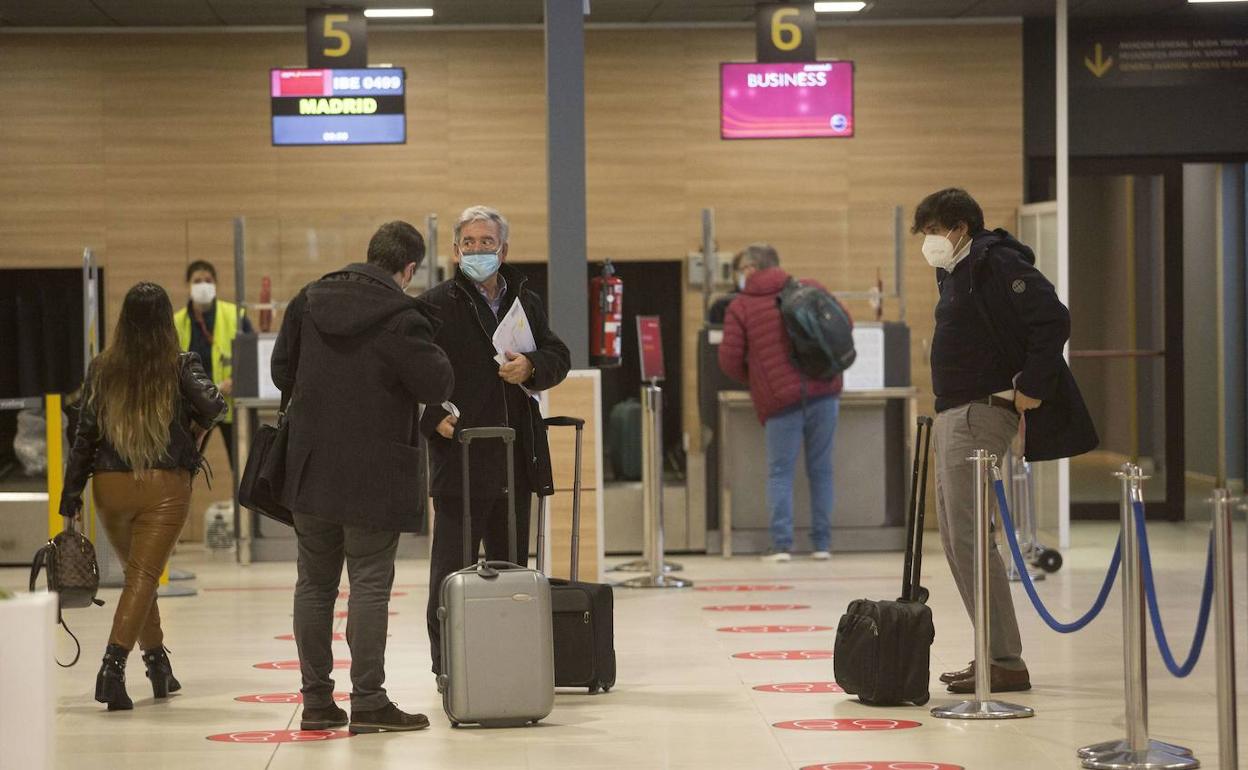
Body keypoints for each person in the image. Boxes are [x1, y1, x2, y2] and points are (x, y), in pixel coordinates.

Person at [271, 221, 454, 734]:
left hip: (310, 467)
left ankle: (316, 702)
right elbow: (437, 382)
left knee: (314, 584)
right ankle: (369, 702)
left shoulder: (308, 300)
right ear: (409, 269)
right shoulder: (401, 316)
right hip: (375, 473)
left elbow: (281, 371)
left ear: (371, 253)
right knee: (370, 584)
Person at [913, 187, 1096, 695]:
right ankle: (993, 653)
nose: (928, 242)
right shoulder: (956, 269)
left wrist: (1033, 385)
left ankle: (1004, 660)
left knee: (970, 537)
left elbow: (1052, 318)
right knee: (957, 538)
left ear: (960, 228)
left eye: (934, 231)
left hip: (981, 411)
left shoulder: (995, 261)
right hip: (956, 411)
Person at [419, 205, 571, 676]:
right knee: (450, 574)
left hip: (512, 460)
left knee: (511, 573)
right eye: (469, 243)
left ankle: (508, 666)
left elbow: (557, 354)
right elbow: (407, 369)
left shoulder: (525, 301)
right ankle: (448, 669)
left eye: (487, 242)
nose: (478, 250)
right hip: (460, 459)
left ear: (503, 251)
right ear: (455, 251)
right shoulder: (434, 304)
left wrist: (532, 366)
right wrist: (430, 415)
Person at [60, 282, 226, 711]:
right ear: (166, 320)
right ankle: (111, 670)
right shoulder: (180, 364)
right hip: (164, 486)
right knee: (143, 576)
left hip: (109, 487)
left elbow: (85, 435)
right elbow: (216, 406)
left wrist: (71, 493)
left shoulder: (102, 368)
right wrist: (194, 426)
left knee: (141, 574)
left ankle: (158, 667)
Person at [717, 244, 849, 563]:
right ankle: (822, 544)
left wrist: (758, 380)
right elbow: (844, 324)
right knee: (821, 470)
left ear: (751, 269)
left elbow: (729, 360)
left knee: (780, 473)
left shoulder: (741, 306)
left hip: (779, 401)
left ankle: (781, 546)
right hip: (825, 391)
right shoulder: (810, 287)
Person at [173, 260, 253, 470]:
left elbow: (252, 355)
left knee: (243, 466)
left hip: (229, 404)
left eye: (208, 280)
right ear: (188, 285)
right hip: (192, 406)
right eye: (197, 281)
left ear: (216, 283)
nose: (203, 285)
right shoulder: (176, 322)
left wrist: (237, 380)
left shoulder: (235, 315)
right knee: (185, 465)